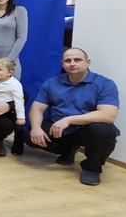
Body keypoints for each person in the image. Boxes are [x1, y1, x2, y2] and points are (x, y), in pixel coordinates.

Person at [28, 47, 120, 186]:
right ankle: (68, 149)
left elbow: (108, 115)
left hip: (86, 130)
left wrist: (69, 120)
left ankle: (92, 168)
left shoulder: (105, 84)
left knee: (103, 132)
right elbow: (37, 108)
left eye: (77, 60)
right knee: (29, 134)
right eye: (68, 61)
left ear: (88, 62)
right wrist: (36, 128)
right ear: (62, 64)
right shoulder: (52, 83)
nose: (72, 64)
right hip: (60, 130)